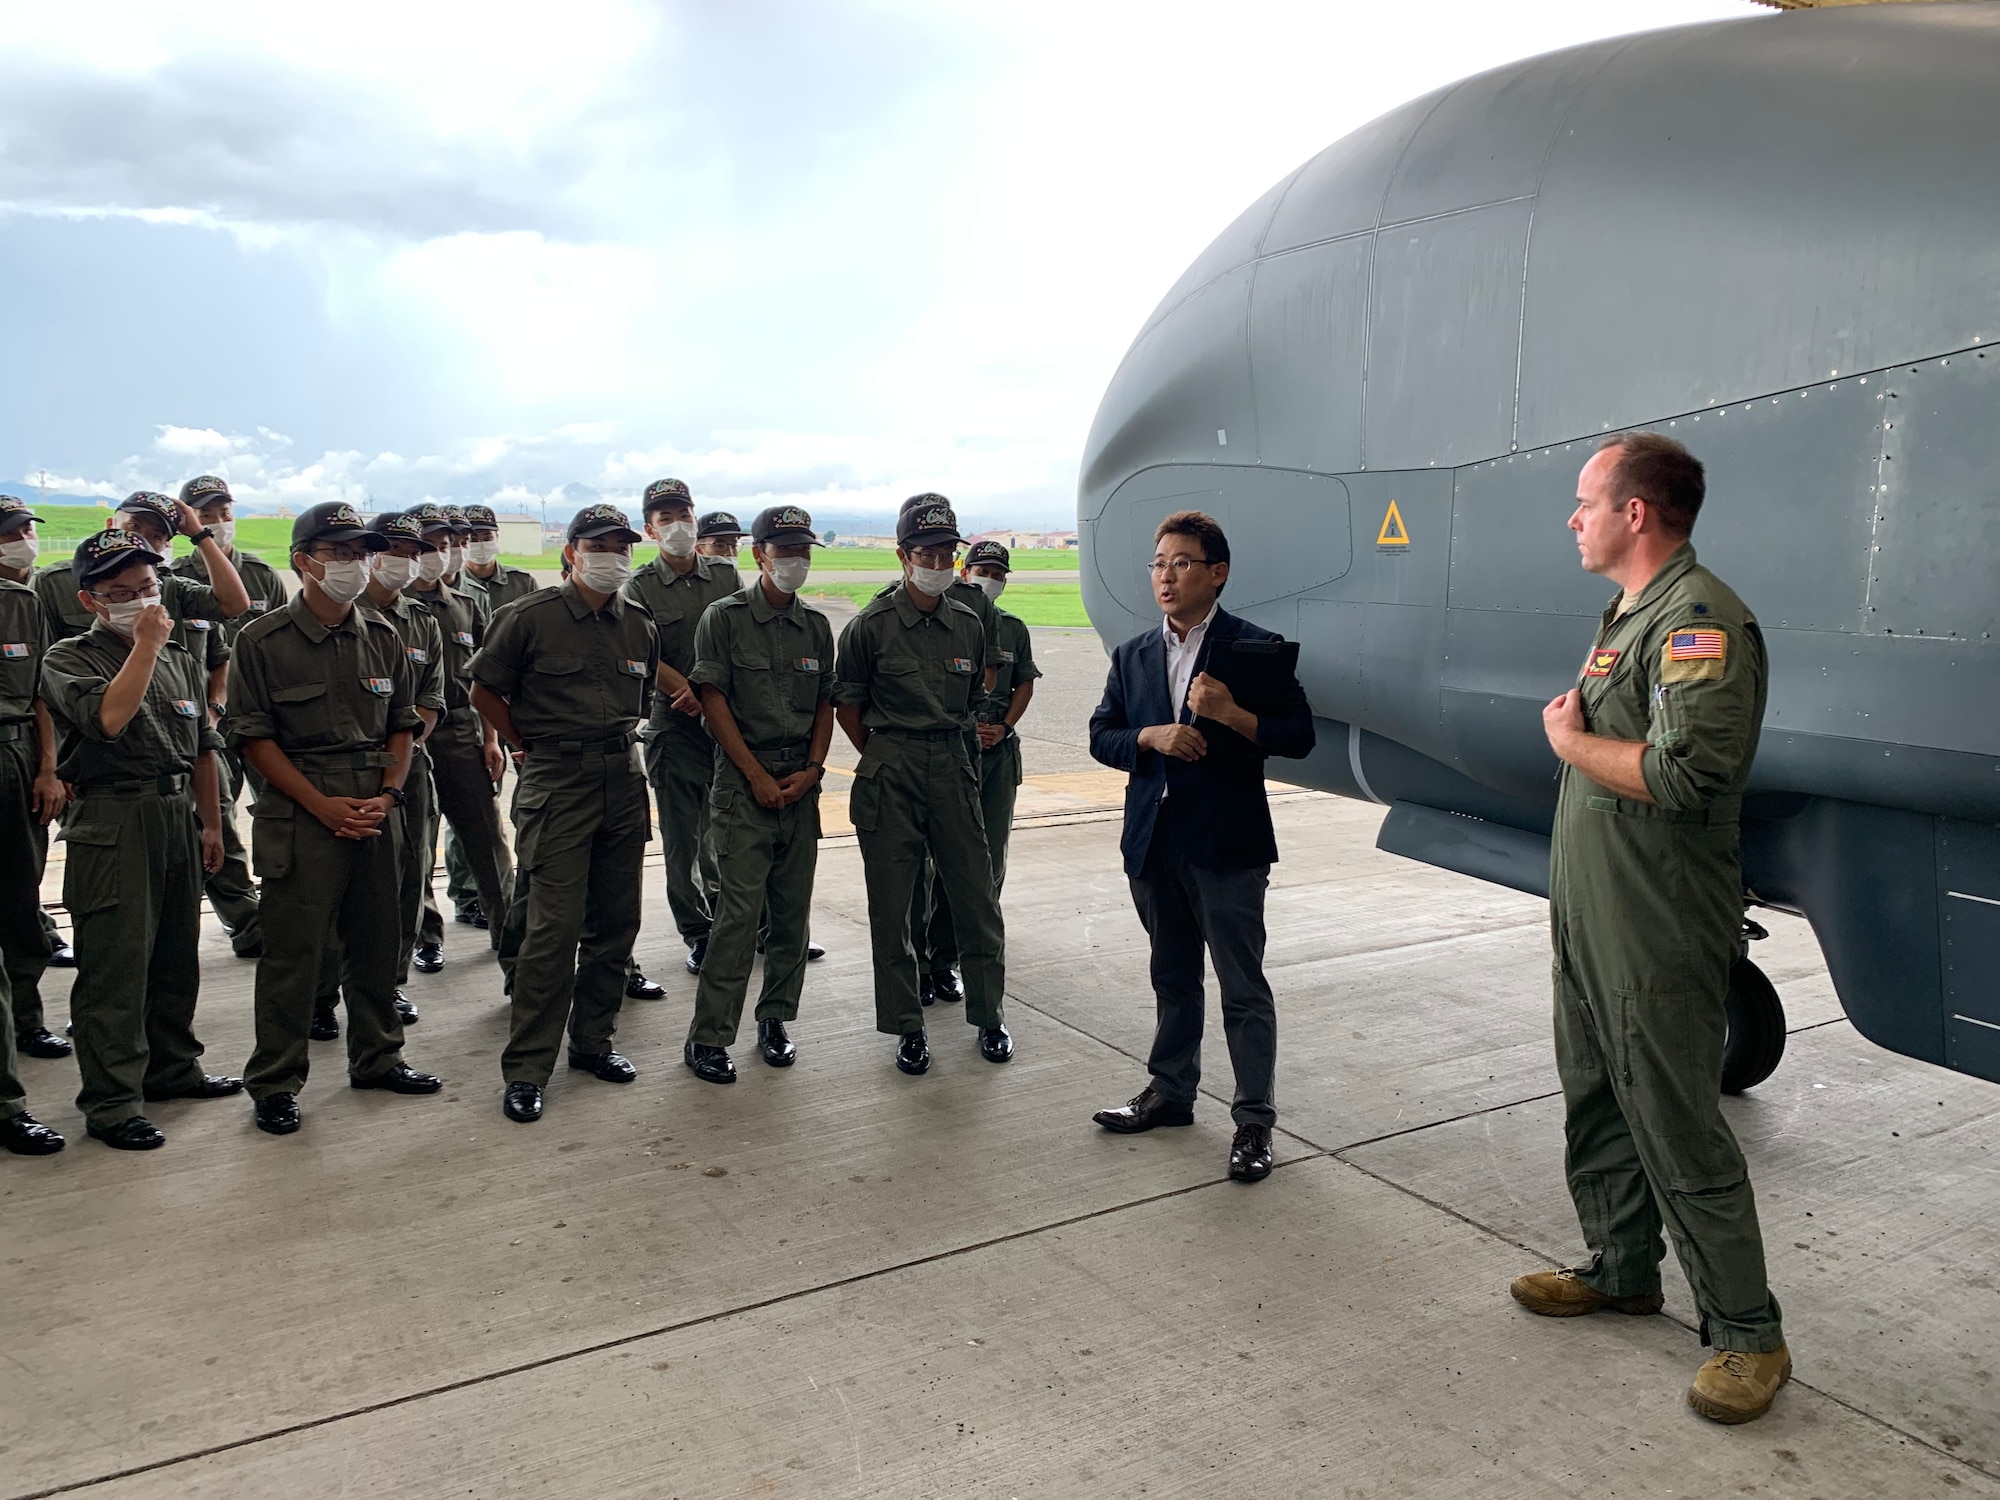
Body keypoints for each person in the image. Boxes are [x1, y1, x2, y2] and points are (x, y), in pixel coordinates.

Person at [1509, 432, 1789, 1425]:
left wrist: (1567, 741)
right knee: (1594, 1099)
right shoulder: (1626, 615)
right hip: (1594, 914)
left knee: (1674, 1121)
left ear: (1636, 513)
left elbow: (1681, 774)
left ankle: (1747, 1333)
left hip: (1657, 925)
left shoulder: (1698, 621)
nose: (1571, 518)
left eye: (1585, 501)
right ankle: (1621, 1267)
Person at [1086, 510, 1314, 1184]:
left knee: (1242, 988)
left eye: (1181, 562)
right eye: (1158, 562)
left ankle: (1253, 1120)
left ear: (1217, 573)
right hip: (1154, 844)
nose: (1165, 575)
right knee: (1172, 978)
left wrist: (1232, 716)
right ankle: (1170, 1092)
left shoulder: (1255, 649)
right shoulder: (1132, 655)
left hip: (1226, 847)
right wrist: (1149, 738)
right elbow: (1102, 736)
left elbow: (1297, 735)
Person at [225, 501, 443, 1137]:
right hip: (302, 809)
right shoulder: (261, 641)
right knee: (294, 956)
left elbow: (404, 723)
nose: (353, 564)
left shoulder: (382, 635)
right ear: (304, 562)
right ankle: (275, 1082)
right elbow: (252, 738)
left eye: (359, 552)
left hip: (377, 805)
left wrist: (389, 794)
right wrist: (319, 804)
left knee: (378, 943)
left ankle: (378, 1057)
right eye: (339, 552)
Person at [41, 531, 243, 1149]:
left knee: (175, 956)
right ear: (91, 600)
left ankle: (172, 1069)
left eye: (148, 588)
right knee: (116, 970)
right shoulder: (70, 658)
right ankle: (111, 1102)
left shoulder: (183, 656)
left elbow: (202, 748)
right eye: (121, 592)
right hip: (113, 823)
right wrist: (147, 647)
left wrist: (211, 824)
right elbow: (109, 718)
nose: (141, 601)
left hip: (175, 813)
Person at [471, 503, 657, 1125]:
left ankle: (593, 1041)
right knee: (552, 931)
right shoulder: (529, 618)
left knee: (616, 921)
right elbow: (483, 690)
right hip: (557, 781)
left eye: (621, 546)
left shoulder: (639, 624)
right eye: (599, 545)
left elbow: (645, 695)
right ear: (572, 552)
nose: (613, 556)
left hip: (623, 777)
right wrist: (525, 743)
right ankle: (527, 1066)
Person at [833, 495, 1011, 1074]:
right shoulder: (870, 626)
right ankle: (908, 1027)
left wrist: (947, 752)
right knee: (893, 908)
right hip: (892, 768)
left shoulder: (968, 622)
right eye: (925, 552)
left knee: (976, 898)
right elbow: (849, 708)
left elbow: (976, 700)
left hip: (953, 767)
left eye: (945, 552)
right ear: (903, 555)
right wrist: (887, 755)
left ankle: (989, 1016)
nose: (936, 561)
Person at [681, 506, 835, 1083]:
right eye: (784, 549)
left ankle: (775, 1019)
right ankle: (710, 1036)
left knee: (792, 915)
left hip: (801, 783)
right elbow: (713, 700)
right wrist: (755, 775)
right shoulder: (722, 619)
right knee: (739, 916)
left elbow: (825, 701)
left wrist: (814, 769)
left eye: (803, 551)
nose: (794, 560)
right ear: (759, 554)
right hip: (744, 783)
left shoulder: (816, 626)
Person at [305, 511, 444, 1034]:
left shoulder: (421, 621)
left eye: (414, 552)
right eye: (395, 551)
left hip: (403, 771)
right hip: (334, 778)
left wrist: (398, 758)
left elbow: (426, 701)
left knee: (406, 879)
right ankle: (320, 993)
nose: (404, 562)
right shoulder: (334, 611)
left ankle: (388, 984)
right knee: (331, 892)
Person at [904, 540, 1041, 1002]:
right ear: (964, 570)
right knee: (925, 864)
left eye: (998, 572)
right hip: (949, 751)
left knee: (984, 861)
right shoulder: (942, 620)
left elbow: (1023, 680)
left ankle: (949, 957)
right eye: (982, 568)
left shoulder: (1012, 628)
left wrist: (1002, 727)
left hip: (996, 753)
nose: (990, 578)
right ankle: (918, 961)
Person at [623, 477, 738, 975]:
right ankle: (697, 931)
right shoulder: (639, 586)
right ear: (650, 530)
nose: (677, 525)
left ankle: (743, 922)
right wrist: (685, 690)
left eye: (683, 514)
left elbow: (740, 635)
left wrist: (714, 690)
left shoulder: (724, 577)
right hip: (675, 726)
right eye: (665, 518)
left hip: (726, 725)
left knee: (733, 832)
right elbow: (640, 650)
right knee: (683, 838)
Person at [398, 506, 514, 969]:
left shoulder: (468, 604)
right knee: (413, 847)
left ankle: (509, 938)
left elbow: (485, 680)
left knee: (487, 839)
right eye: (429, 546)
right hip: (407, 739)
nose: (441, 555)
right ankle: (425, 937)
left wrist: (491, 740)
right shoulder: (384, 606)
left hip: (462, 733)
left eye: (448, 546)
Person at [169, 475, 278, 960]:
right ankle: (246, 922)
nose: (218, 522)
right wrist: (212, 710)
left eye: (224, 512)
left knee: (277, 808)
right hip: (205, 724)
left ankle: (285, 906)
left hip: (263, 714)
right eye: (206, 514)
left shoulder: (260, 573)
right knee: (217, 822)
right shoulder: (175, 578)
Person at [0, 497, 71, 1064]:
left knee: (20, 894)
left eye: (27, 528)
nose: (26, 538)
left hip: (12, 750)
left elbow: (40, 693)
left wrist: (48, 768)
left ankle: (25, 1021)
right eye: (14, 531)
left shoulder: (20, 602)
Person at [446, 501, 536, 929]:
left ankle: (518, 894)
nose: (477, 545)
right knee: (469, 811)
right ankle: (466, 894)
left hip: (518, 711)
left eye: (484, 536)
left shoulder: (520, 582)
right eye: (469, 538)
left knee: (512, 809)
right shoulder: (453, 588)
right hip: (473, 713)